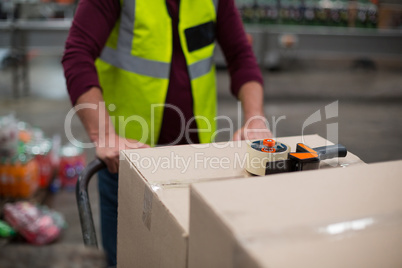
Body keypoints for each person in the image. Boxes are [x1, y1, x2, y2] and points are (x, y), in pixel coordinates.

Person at [62, 0, 272, 265]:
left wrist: (255, 119)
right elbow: (77, 53)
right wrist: (103, 134)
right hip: (129, 162)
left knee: (192, 257)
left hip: (197, 161)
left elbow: (240, 54)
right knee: (129, 260)